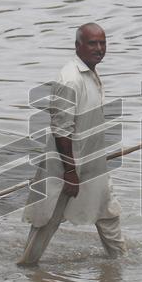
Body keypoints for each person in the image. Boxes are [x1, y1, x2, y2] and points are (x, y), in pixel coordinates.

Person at [18, 23, 125, 266]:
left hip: (92, 163)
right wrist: (70, 173)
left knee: (108, 215)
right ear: (78, 46)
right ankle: (25, 268)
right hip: (68, 167)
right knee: (47, 222)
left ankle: (121, 267)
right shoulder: (70, 79)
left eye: (102, 43)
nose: (99, 49)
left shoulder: (91, 73)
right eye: (92, 43)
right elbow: (61, 130)